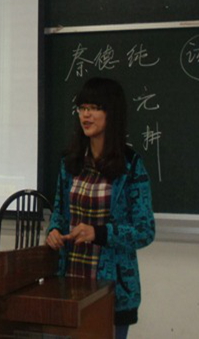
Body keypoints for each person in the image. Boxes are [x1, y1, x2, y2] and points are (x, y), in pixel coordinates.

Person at [46, 77, 155, 339]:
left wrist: (99, 233)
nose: (86, 115)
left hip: (112, 290)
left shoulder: (131, 166)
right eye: (82, 108)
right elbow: (59, 212)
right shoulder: (70, 162)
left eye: (94, 108)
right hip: (69, 283)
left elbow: (144, 231)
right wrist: (54, 231)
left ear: (111, 113)